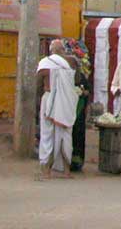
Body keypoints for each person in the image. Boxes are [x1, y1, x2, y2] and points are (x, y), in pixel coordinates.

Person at [36, 39, 78, 179]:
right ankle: (66, 171)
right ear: (63, 50)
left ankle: (46, 172)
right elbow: (76, 82)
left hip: (48, 100)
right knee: (65, 135)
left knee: (47, 135)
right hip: (66, 102)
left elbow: (38, 85)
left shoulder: (44, 63)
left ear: (51, 50)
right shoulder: (71, 62)